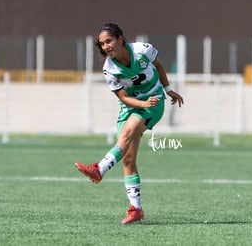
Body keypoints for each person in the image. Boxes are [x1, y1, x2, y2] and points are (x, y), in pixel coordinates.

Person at [75, 23, 184, 224]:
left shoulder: (143, 50)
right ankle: (136, 210)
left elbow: (158, 66)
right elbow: (124, 98)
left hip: (153, 102)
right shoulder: (110, 69)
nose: (106, 46)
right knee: (127, 159)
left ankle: (99, 169)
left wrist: (168, 90)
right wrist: (140, 102)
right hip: (132, 106)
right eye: (102, 44)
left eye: (109, 41)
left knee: (128, 132)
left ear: (120, 39)